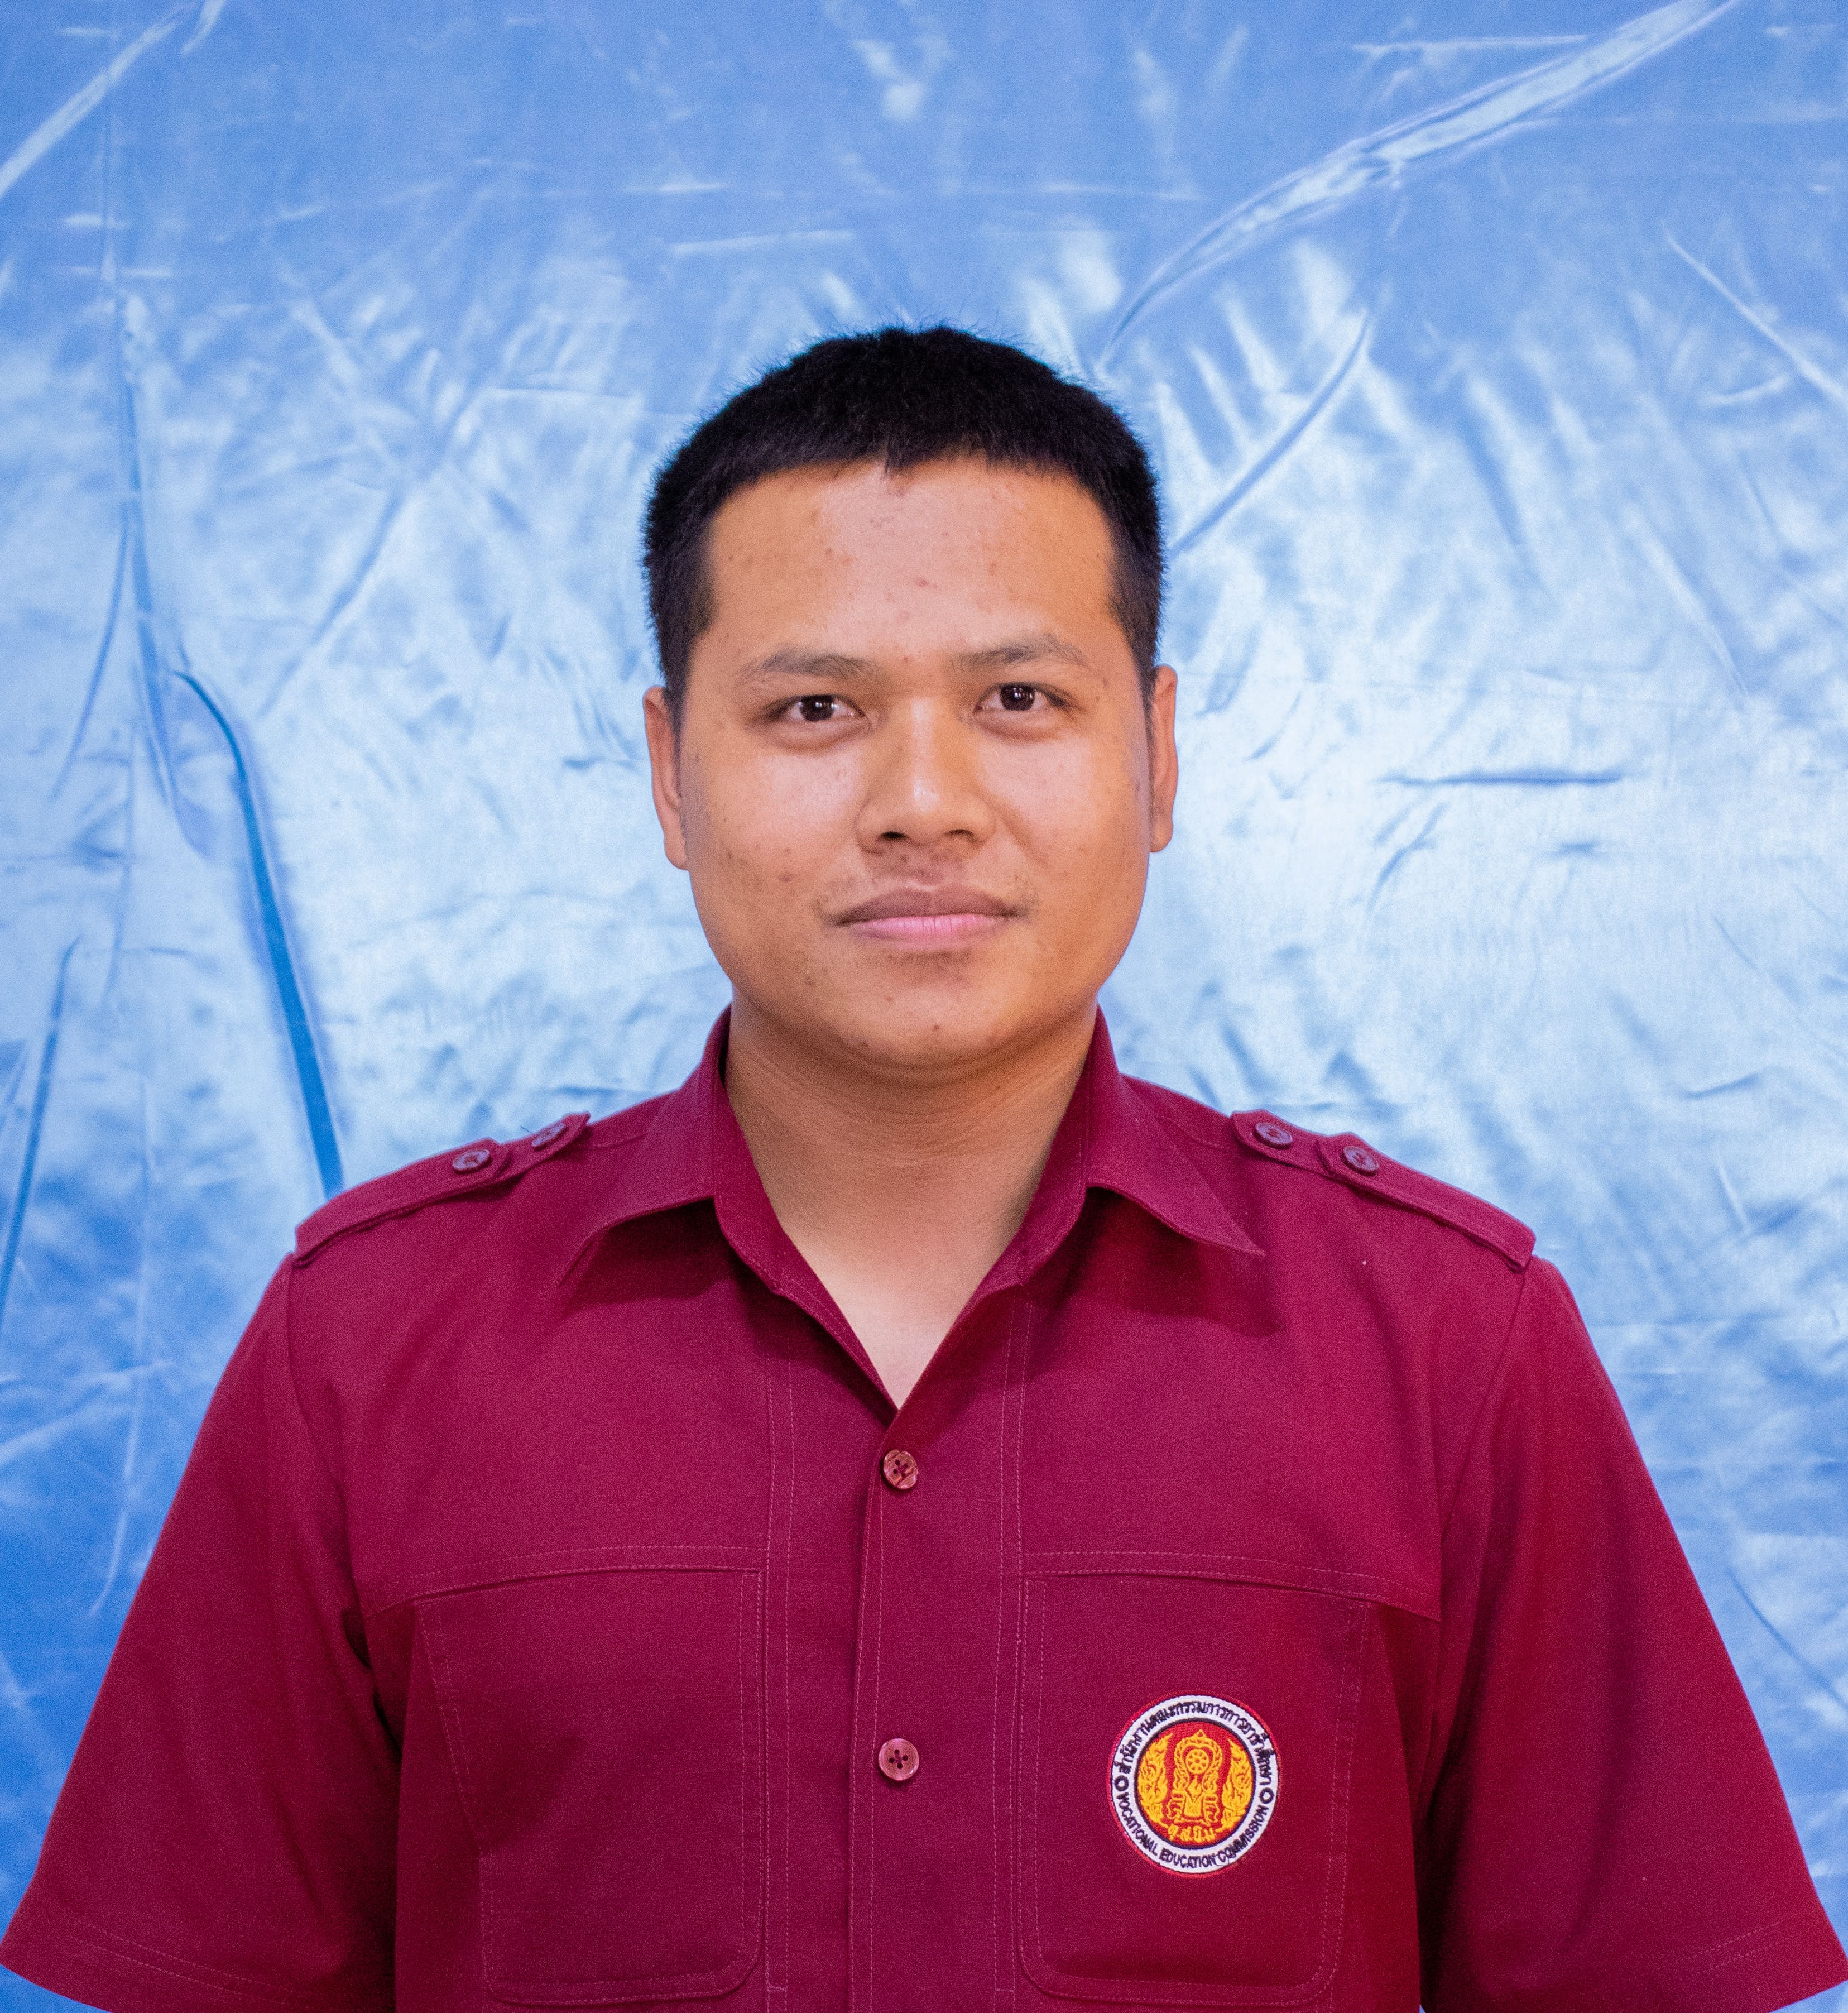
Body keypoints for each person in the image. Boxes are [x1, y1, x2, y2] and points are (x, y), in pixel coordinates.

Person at [2, 326, 1841, 2013]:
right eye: (815, 711)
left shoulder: (1447, 1346)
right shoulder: (373, 1342)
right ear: (669, 773)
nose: (924, 803)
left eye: (1020, 699)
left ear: (1159, 754)